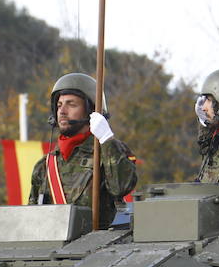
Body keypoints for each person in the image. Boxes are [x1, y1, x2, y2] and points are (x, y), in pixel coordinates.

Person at [28, 72, 138, 229]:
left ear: (91, 111)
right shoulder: (44, 166)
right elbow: (31, 220)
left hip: (96, 248)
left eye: (71, 104)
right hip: (54, 251)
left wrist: (106, 140)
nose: (62, 111)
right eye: (59, 105)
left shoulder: (107, 153)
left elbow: (122, 187)